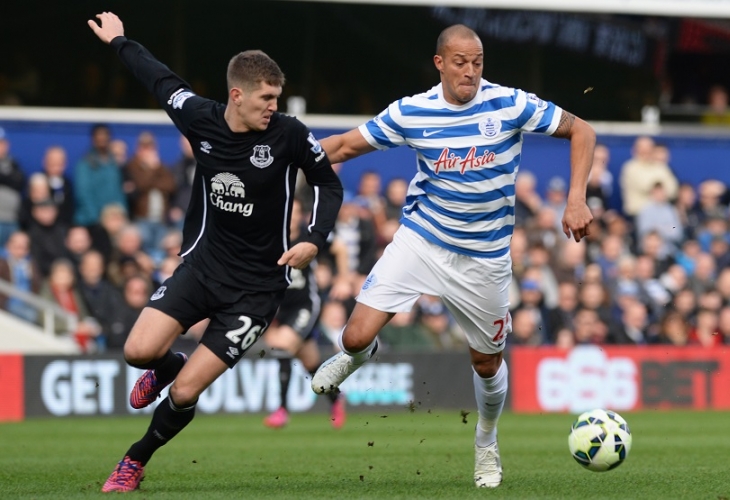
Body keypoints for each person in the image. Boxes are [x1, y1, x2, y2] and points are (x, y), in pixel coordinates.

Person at [310, 24, 595, 489]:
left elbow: (582, 130)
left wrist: (576, 198)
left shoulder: (510, 104)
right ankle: (358, 356)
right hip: (422, 240)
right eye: (460, 63)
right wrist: (279, 159)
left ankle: (486, 440)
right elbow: (342, 146)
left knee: (486, 364)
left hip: (485, 256)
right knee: (355, 335)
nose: (470, 72)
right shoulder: (412, 111)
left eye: (477, 62)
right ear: (439, 63)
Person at [88, 12, 342, 493]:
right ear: (237, 95)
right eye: (266, 98)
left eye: (277, 98)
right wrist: (119, 41)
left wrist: (314, 238)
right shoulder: (199, 117)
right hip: (202, 269)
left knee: (186, 393)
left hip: (256, 290)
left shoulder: (289, 133)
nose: (273, 107)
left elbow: (328, 184)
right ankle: (167, 366)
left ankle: (133, 461)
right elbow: (159, 78)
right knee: (138, 352)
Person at [262, 199, 346, 429]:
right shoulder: (270, 239)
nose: (291, 217)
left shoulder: (308, 238)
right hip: (283, 309)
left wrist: (343, 278)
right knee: (310, 363)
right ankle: (336, 397)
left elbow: (340, 248)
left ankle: (281, 410)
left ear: (301, 216)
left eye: (296, 212)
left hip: (306, 305)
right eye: (288, 212)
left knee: (282, 346)